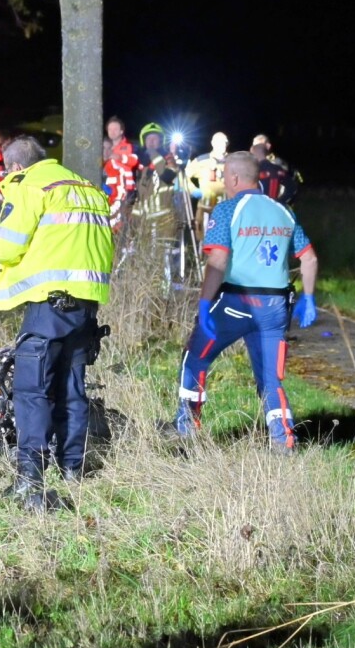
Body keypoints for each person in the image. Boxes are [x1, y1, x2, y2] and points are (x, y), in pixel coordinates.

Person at [0, 136, 115, 508]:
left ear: (14, 168)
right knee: (73, 389)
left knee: (31, 390)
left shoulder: (30, 186)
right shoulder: (87, 189)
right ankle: (72, 469)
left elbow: (8, 246)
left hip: (49, 305)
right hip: (85, 306)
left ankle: (30, 476)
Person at [172, 152, 318, 450]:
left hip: (236, 304)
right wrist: (309, 297)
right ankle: (284, 439)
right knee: (270, 376)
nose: (223, 181)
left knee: (195, 357)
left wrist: (203, 304)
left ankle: (186, 428)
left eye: (225, 176)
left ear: (236, 178)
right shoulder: (282, 211)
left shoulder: (228, 209)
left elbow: (218, 260)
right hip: (276, 308)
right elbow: (310, 258)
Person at [102, 116, 139, 228]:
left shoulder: (128, 146)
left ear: (121, 131)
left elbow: (134, 161)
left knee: (120, 221)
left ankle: (121, 243)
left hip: (124, 191)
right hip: (109, 190)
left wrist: (119, 157)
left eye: (115, 129)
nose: (112, 132)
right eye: (110, 129)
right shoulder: (105, 146)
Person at [250, 134, 300, 205]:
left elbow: (290, 185)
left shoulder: (278, 163)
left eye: (260, 145)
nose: (258, 148)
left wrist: (280, 202)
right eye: (255, 145)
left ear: (268, 146)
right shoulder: (250, 164)